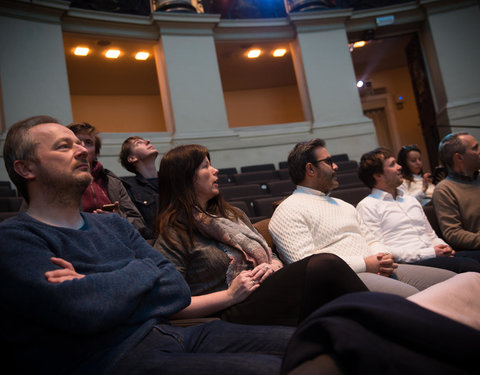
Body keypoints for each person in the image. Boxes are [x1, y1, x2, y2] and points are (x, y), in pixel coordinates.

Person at [0, 115, 295, 375]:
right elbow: (83, 310)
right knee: (274, 369)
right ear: (25, 168)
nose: (81, 150)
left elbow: (176, 289)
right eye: (64, 146)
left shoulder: (112, 224)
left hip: (175, 334)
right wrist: (142, 272)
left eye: (79, 143)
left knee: (307, 341)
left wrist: (92, 282)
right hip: (111, 360)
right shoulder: (15, 239)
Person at [153, 144, 369, 326]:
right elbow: (168, 303)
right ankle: (379, 316)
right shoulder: (174, 234)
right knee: (324, 264)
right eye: (205, 166)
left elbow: (270, 254)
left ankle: (372, 322)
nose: (215, 170)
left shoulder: (232, 215)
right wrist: (229, 296)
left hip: (263, 291)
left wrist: (271, 266)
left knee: (328, 293)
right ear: (185, 177)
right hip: (229, 310)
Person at [269, 139, 456, 297]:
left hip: (379, 269)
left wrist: (382, 257)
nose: (335, 166)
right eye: (328, 161)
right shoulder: (288, 209)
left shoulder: (343, 205)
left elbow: (372, 239)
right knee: (417, 297)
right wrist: (365, 264)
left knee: (457, 281)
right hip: (344, 279)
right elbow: (307, 265)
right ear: (310, 169)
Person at [356, 147, 480, 273]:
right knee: (468, 266)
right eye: (393, 165)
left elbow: (431, 234)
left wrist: (444, 247)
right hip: (410, 265)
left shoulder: (410, 200)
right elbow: (380, 250)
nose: (400, 167)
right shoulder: (367, 206)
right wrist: (430, 253)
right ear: (378, 175)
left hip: (435, 255)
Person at [67, 122, 153, 239]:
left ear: (96, 153)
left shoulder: (112, 181)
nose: (82, 147)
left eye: (88, 143)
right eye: (76, 142)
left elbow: (139, 224)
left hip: (119, 242)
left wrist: (117, 218)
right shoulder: (61, 180)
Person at [433, 132, 480, 253]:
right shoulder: (445, 190)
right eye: (475, 148)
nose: (479, 150)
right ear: (459, 157)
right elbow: (453, 234)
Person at [119, 136, 159, 233]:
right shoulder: (128, 187)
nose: (148, 141)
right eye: (138, 143)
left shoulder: (172, 179)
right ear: (132, 158)